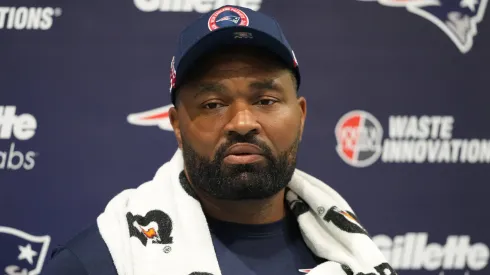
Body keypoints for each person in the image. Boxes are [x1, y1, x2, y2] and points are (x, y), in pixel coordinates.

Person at [44, 5, 395, 275]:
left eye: (265, 101)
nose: (242, 123)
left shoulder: (350, 253)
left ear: (301, 116)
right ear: (177, 125)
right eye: (213, 104)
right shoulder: (99, 262)